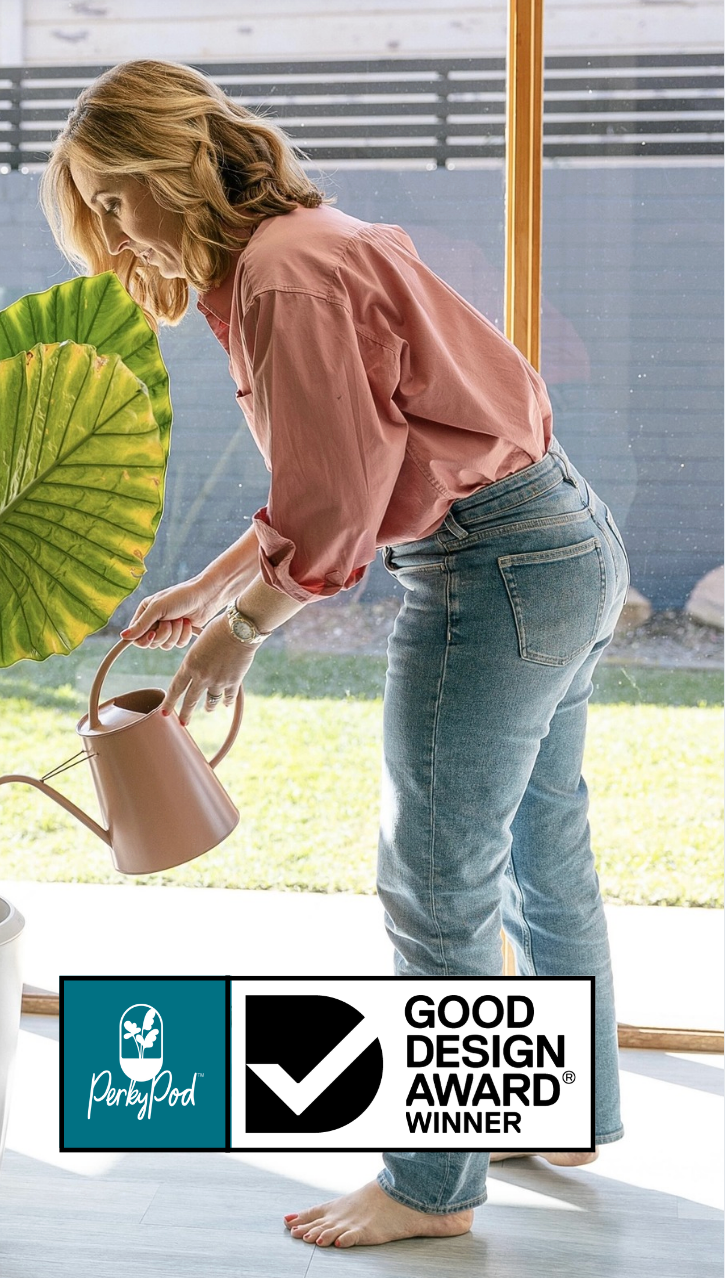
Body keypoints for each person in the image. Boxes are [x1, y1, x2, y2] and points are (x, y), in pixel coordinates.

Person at [41, 60, 627, 1249]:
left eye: (113, 194)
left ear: (175, 163)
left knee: (434, 877)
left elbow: (340, 500)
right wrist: (206, 584)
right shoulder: (299, 243)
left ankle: (429, 1187)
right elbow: (353, 455)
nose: (111, 227)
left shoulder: (278, 277)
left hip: (488, 569)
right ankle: (559, 1109)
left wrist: (237, 633)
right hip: (558, 540)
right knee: (536, 844)